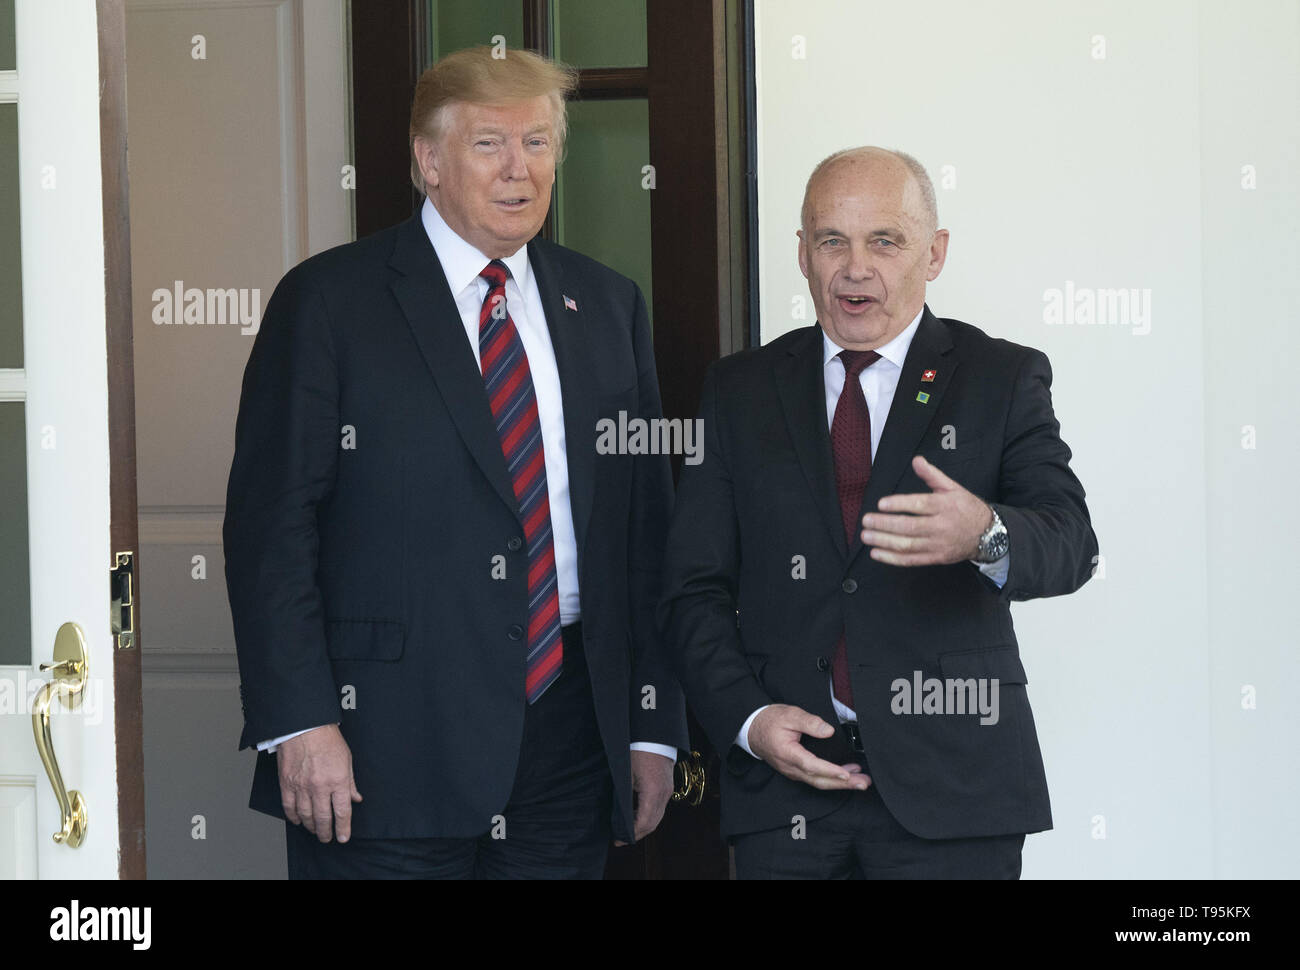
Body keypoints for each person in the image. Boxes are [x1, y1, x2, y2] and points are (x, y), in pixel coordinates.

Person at [224, 46, 687, 879]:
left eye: (539, 143)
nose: (521, 170)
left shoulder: (608, 305)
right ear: (427, 160)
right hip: (378, 753)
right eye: (489, 144)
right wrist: (299, 723)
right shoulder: (329, 303)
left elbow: (644, 528)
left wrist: (651, 724)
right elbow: (271, 527)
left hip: (569, 744)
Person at [659, 146, 1098, 879]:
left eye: (884, 241)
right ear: (802, 255)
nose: (855, 267)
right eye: (832, 240)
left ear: (936, 253)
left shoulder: (1001, 377)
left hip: (956, 793)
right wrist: (748, 719)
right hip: (786, 793)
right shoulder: (739, 391)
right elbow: (691, 589)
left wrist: (983, 535)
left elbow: (1072, 545)